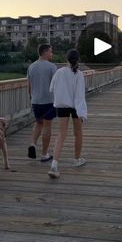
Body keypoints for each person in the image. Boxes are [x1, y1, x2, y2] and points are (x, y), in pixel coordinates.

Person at [48, 49, 87, 179]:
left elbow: (51, 88)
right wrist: (82, 112)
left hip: (62, 105)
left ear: (66, 59)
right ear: (78, 60)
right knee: (78, 133)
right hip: (76, 107)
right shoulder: (79, 74)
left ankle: (54, 164)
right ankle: (77, 159)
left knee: (61, 134)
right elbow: (80, 95)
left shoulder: (59, 72)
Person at [27, 44, 57, 162]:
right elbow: (55, 85)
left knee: (39, 123)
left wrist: (32, 97)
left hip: (35, 101)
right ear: (45, 52)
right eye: (50, 51)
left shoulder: (31, 67)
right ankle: (44, 154)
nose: (52, 54)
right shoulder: (52, 67)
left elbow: (29, 85)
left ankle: (33, 144)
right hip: (48, 101)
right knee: (47, 125)